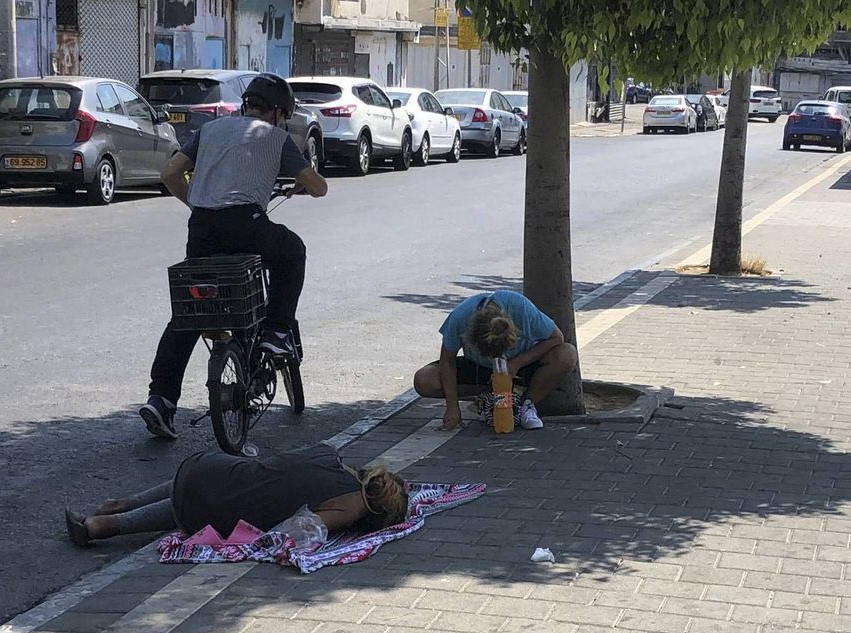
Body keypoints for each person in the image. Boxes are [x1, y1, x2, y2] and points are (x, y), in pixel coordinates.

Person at [140, 73, 328, 439]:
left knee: (192, 311)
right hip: (248, 227)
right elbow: (319, 187)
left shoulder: (210, 130)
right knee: (292, 252)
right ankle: (276, 333)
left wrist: (196, 201)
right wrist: (301, 185)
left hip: (202, 230)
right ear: (276, 112)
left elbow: (169, 173)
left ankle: (160, 399)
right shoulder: (275, 138)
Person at [64, 443, 407, 546]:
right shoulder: (351, 506)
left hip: (203, 466)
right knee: (200, 506)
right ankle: (103, 526)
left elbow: (283, 469)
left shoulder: (327, 453)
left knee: (220, 482)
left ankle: (119, 504)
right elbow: (301, 530)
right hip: (213, 507)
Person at [412, 289, 578, 431]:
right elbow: (447, 361)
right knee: (424, 380)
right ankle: (488, 395)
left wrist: (517, 362)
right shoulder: (459, 317)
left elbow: (557, 338)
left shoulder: (521, 307)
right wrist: (452, 406)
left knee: (566, 354)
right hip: (479, 368)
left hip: (521, 364)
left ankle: (526, 404)